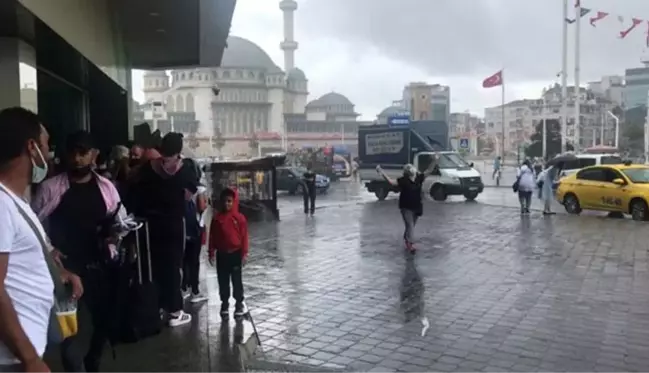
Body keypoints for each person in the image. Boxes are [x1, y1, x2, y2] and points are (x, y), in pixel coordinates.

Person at [32, 130, 125, 373]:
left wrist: (115, 234)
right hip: (66, 270)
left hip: (100, 267)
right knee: (69, 333)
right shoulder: (51, 189)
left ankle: (93, 361)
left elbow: (120, 219)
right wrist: (50, 251)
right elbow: (34, 226)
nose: (77, 159)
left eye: (83, 153)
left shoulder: (106, 188)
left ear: (94, 155)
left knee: (103, 324)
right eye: (73, 153)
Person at [0, 107, 82, 373]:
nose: (49, 154)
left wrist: (58, 273)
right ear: (31, 147)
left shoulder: (15, 200)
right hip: (12, 359)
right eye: (47, 146)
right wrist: (30, 359)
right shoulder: (1, 204)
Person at [129, 133, 198, 327]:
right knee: (173, 266)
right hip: (174, 223)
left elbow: (135, 187)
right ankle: (175, 311)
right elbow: (189, 194)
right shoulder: (185, 170)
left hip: (151, 224)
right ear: (179, 149)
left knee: (155, 265)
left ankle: (156, 306)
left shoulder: (148, 168)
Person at [376, 157, 437, 252]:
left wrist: (435, 160)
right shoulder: (403, 180)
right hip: (406, 207)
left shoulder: (419, 178)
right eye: (410, 169)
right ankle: (410, 244)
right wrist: (382, 172)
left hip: (417, 207)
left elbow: (429, 171)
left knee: (411, 226)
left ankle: (407, 238)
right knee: (410, 225)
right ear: (408, 172)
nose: (412, 170)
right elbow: (391, 182)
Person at [208, 188, 249, 318]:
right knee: (223, 280)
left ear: (234, 202)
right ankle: (224, 303)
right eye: (225, 201)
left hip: (235, 254)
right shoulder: (217, 219)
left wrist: (244, 254)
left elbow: (244, 237)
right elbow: (212, 237)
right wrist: (211, 252)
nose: (227, 204)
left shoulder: (239, 218)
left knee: (237, 281)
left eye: (230, 201)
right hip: (222, 254)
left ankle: (238, 304)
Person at [181, 158, 208, 303]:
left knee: (184, 260)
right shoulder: (200, 189)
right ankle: (195, 291)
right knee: (194, 260)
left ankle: (183, 287)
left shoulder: (180, 186)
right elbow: (202, 207)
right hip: (196, 228)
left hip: (182, 228)